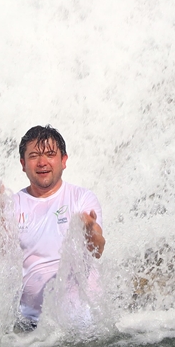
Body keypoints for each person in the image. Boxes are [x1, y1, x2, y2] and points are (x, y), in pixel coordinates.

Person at [10, 125, 105, 330]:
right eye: (34, 155)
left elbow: (97, 248)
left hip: (80, 322)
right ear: (23, 163)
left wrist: (89, 230)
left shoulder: (81, 199)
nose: (42, 162)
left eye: (50, 155)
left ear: (64, 160)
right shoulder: (14, 204)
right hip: (29, 323)